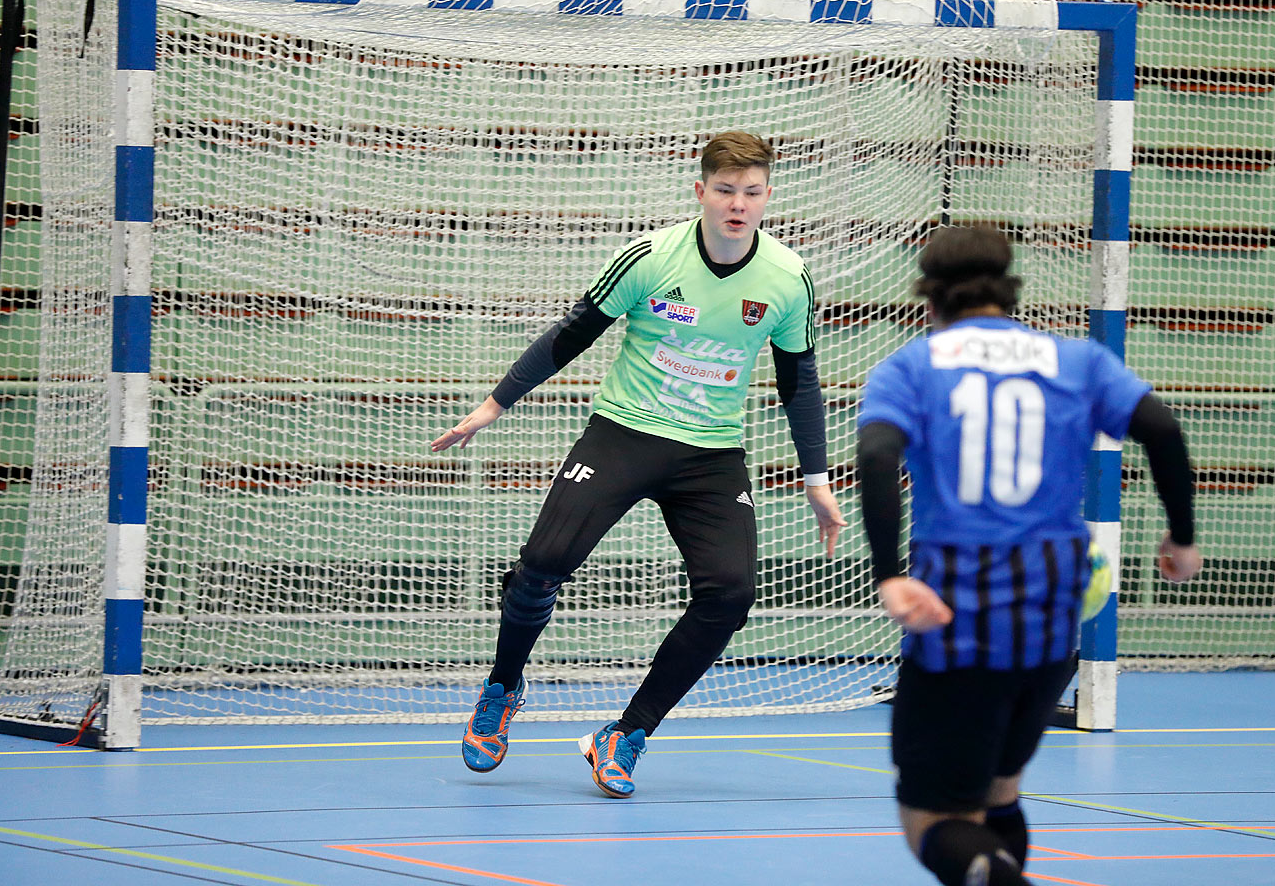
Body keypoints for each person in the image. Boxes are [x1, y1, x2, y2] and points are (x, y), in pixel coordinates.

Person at [431, 131, 846, 798]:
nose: (738, 204)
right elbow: (570, 333)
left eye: (752, 192)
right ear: (700, 191)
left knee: (731, 594)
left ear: (768, 195)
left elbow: (799, 383)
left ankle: (625, 734)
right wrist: (493, 406)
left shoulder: (787, 278)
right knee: (541, 566)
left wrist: (817, 480)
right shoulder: (650, 258)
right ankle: (503, 687)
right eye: (725, 190)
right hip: (623, 434)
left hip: (711, 454)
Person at [855, 224, 1201, 886]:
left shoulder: (913, 365)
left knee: (928, 821)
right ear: (1010, 289)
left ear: (929, 298)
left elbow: (876, 454)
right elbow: (1161, 428)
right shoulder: (1077, 361)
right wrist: (1180, 537)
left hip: (957, 619)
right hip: (1051, 619)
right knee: (999, 794)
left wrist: (888, 575)